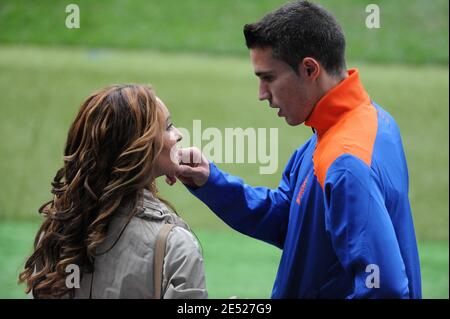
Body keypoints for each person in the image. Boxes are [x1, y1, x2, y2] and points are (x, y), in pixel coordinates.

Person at [174, 1, 421, 298]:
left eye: (268, 78)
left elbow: (384, 290)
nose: (262, 95)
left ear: (309, 69)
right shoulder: (367, 122)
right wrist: (210, 181)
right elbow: (290, 222)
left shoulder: (345, 163)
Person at [19, 84, 207, 299]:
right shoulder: (175, 246)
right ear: (140, 149)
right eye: (168, 127)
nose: (178, 135)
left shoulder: (57, 231)